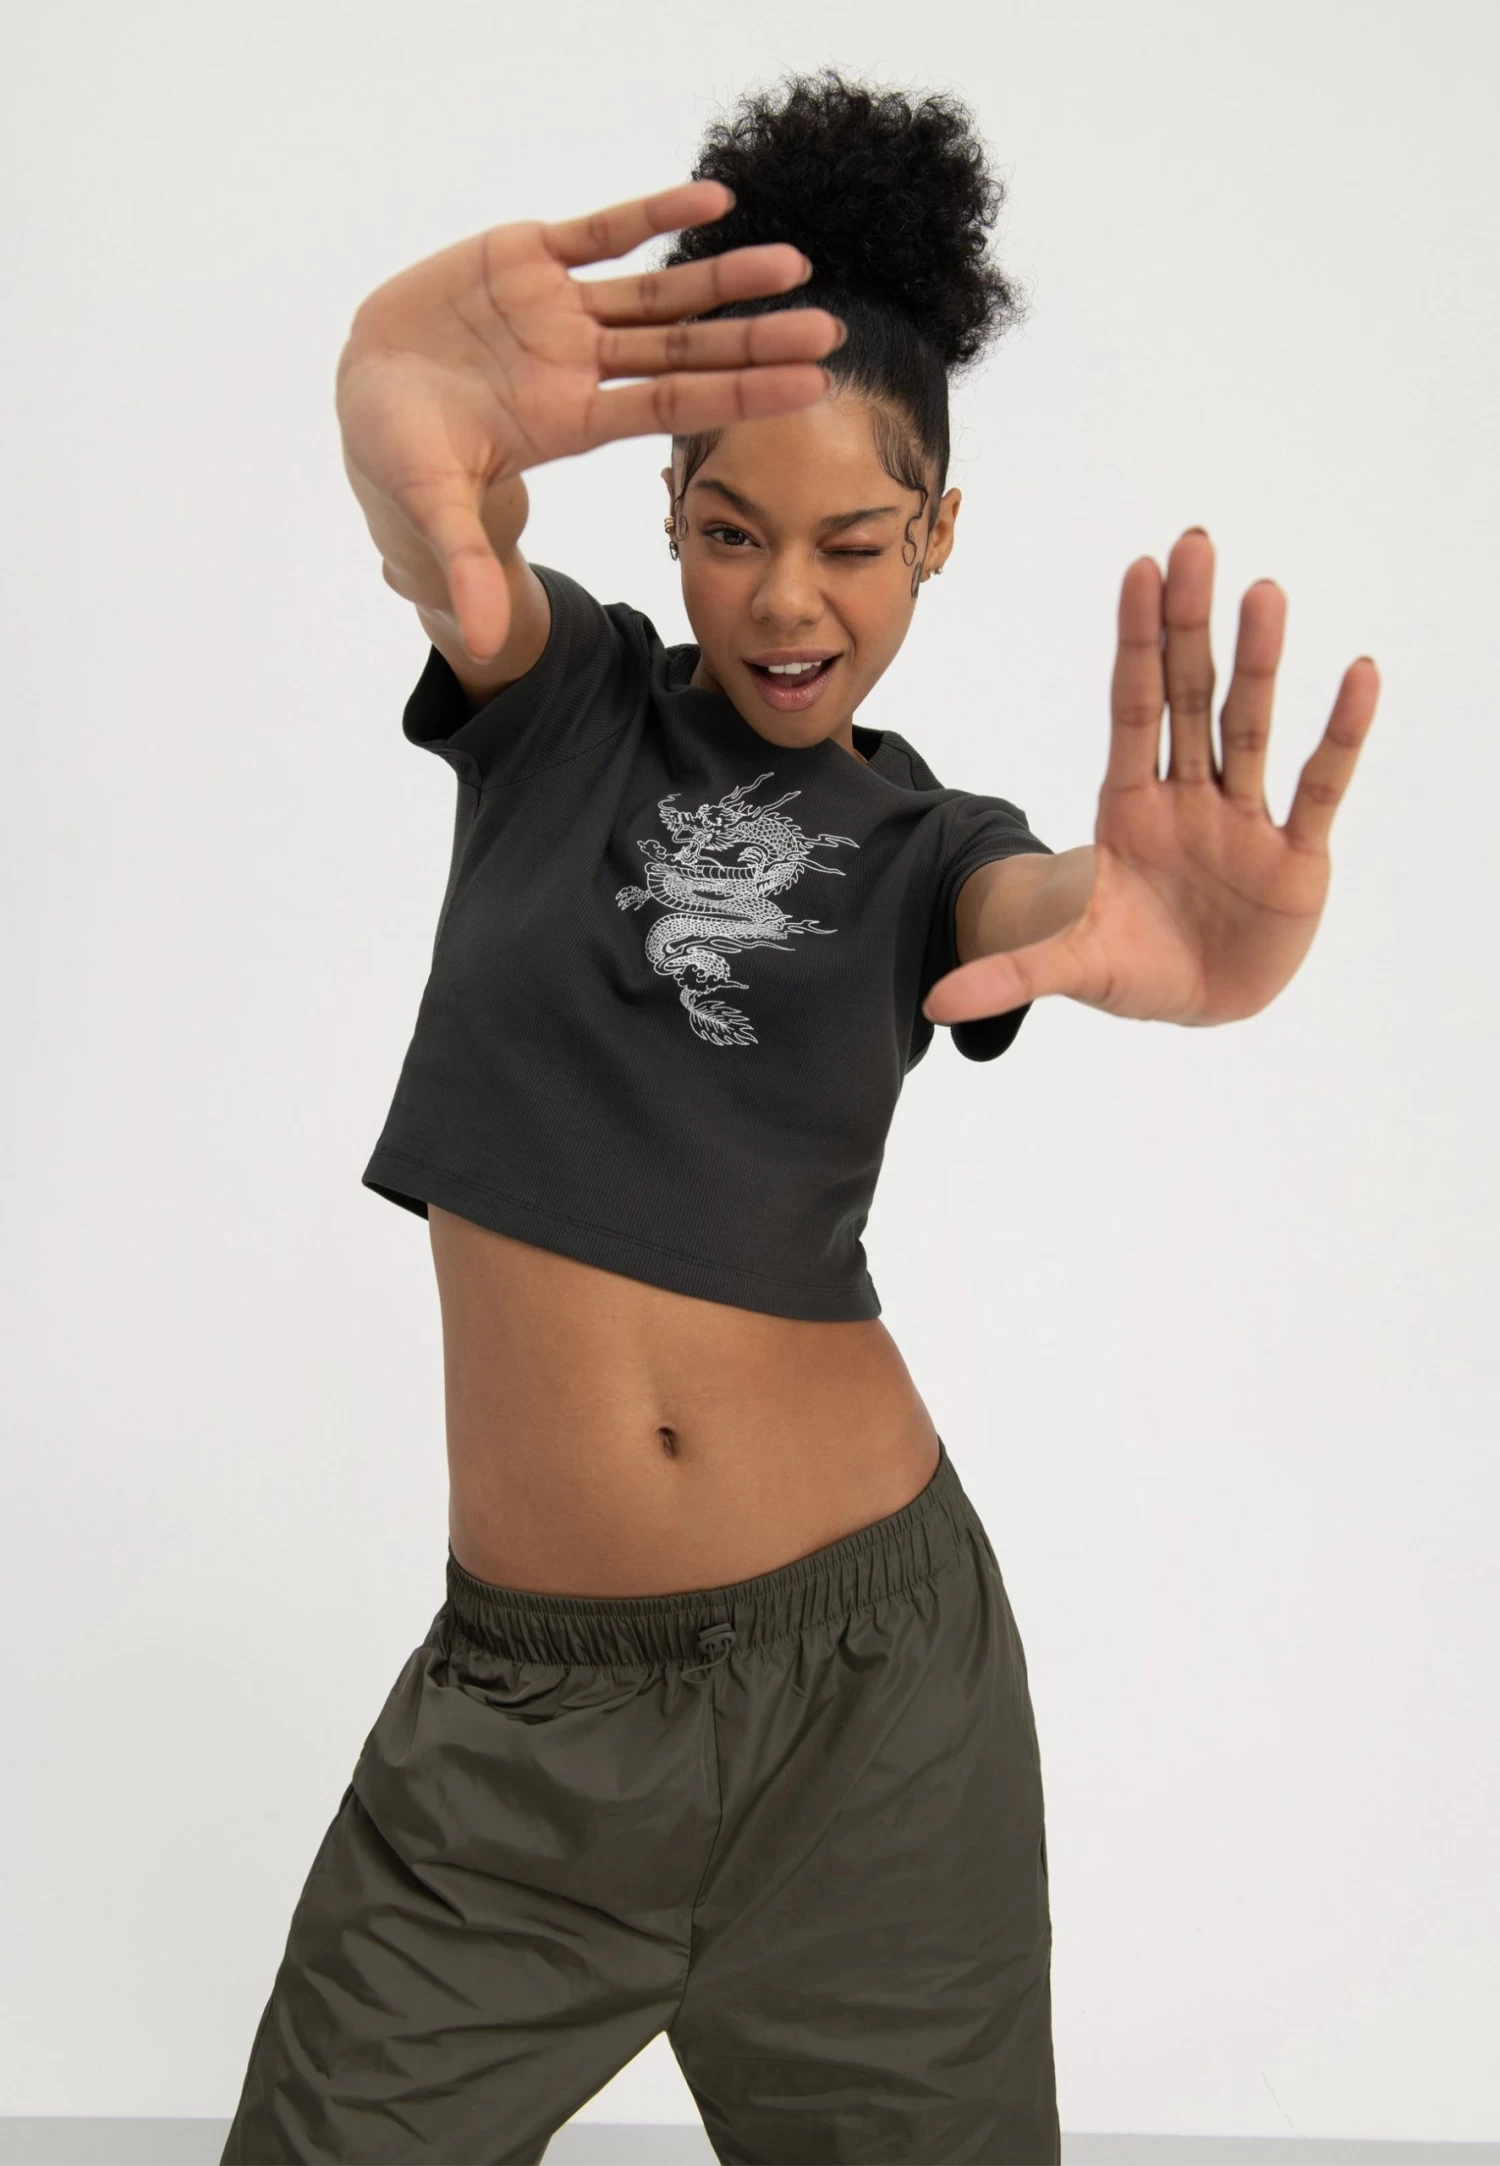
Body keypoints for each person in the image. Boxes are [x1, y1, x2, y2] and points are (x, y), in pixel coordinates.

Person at [220, 68, 1378, 2166]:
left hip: (876, 1711)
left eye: (854, 542)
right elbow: (456, 565)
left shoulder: (930, 842)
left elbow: (1029, 911)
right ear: (666, 509)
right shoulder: (566, 708)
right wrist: (390, 423)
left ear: (938, 533)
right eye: (731, 532)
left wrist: (1140, 930)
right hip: (521, 1746)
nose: (784, 600)